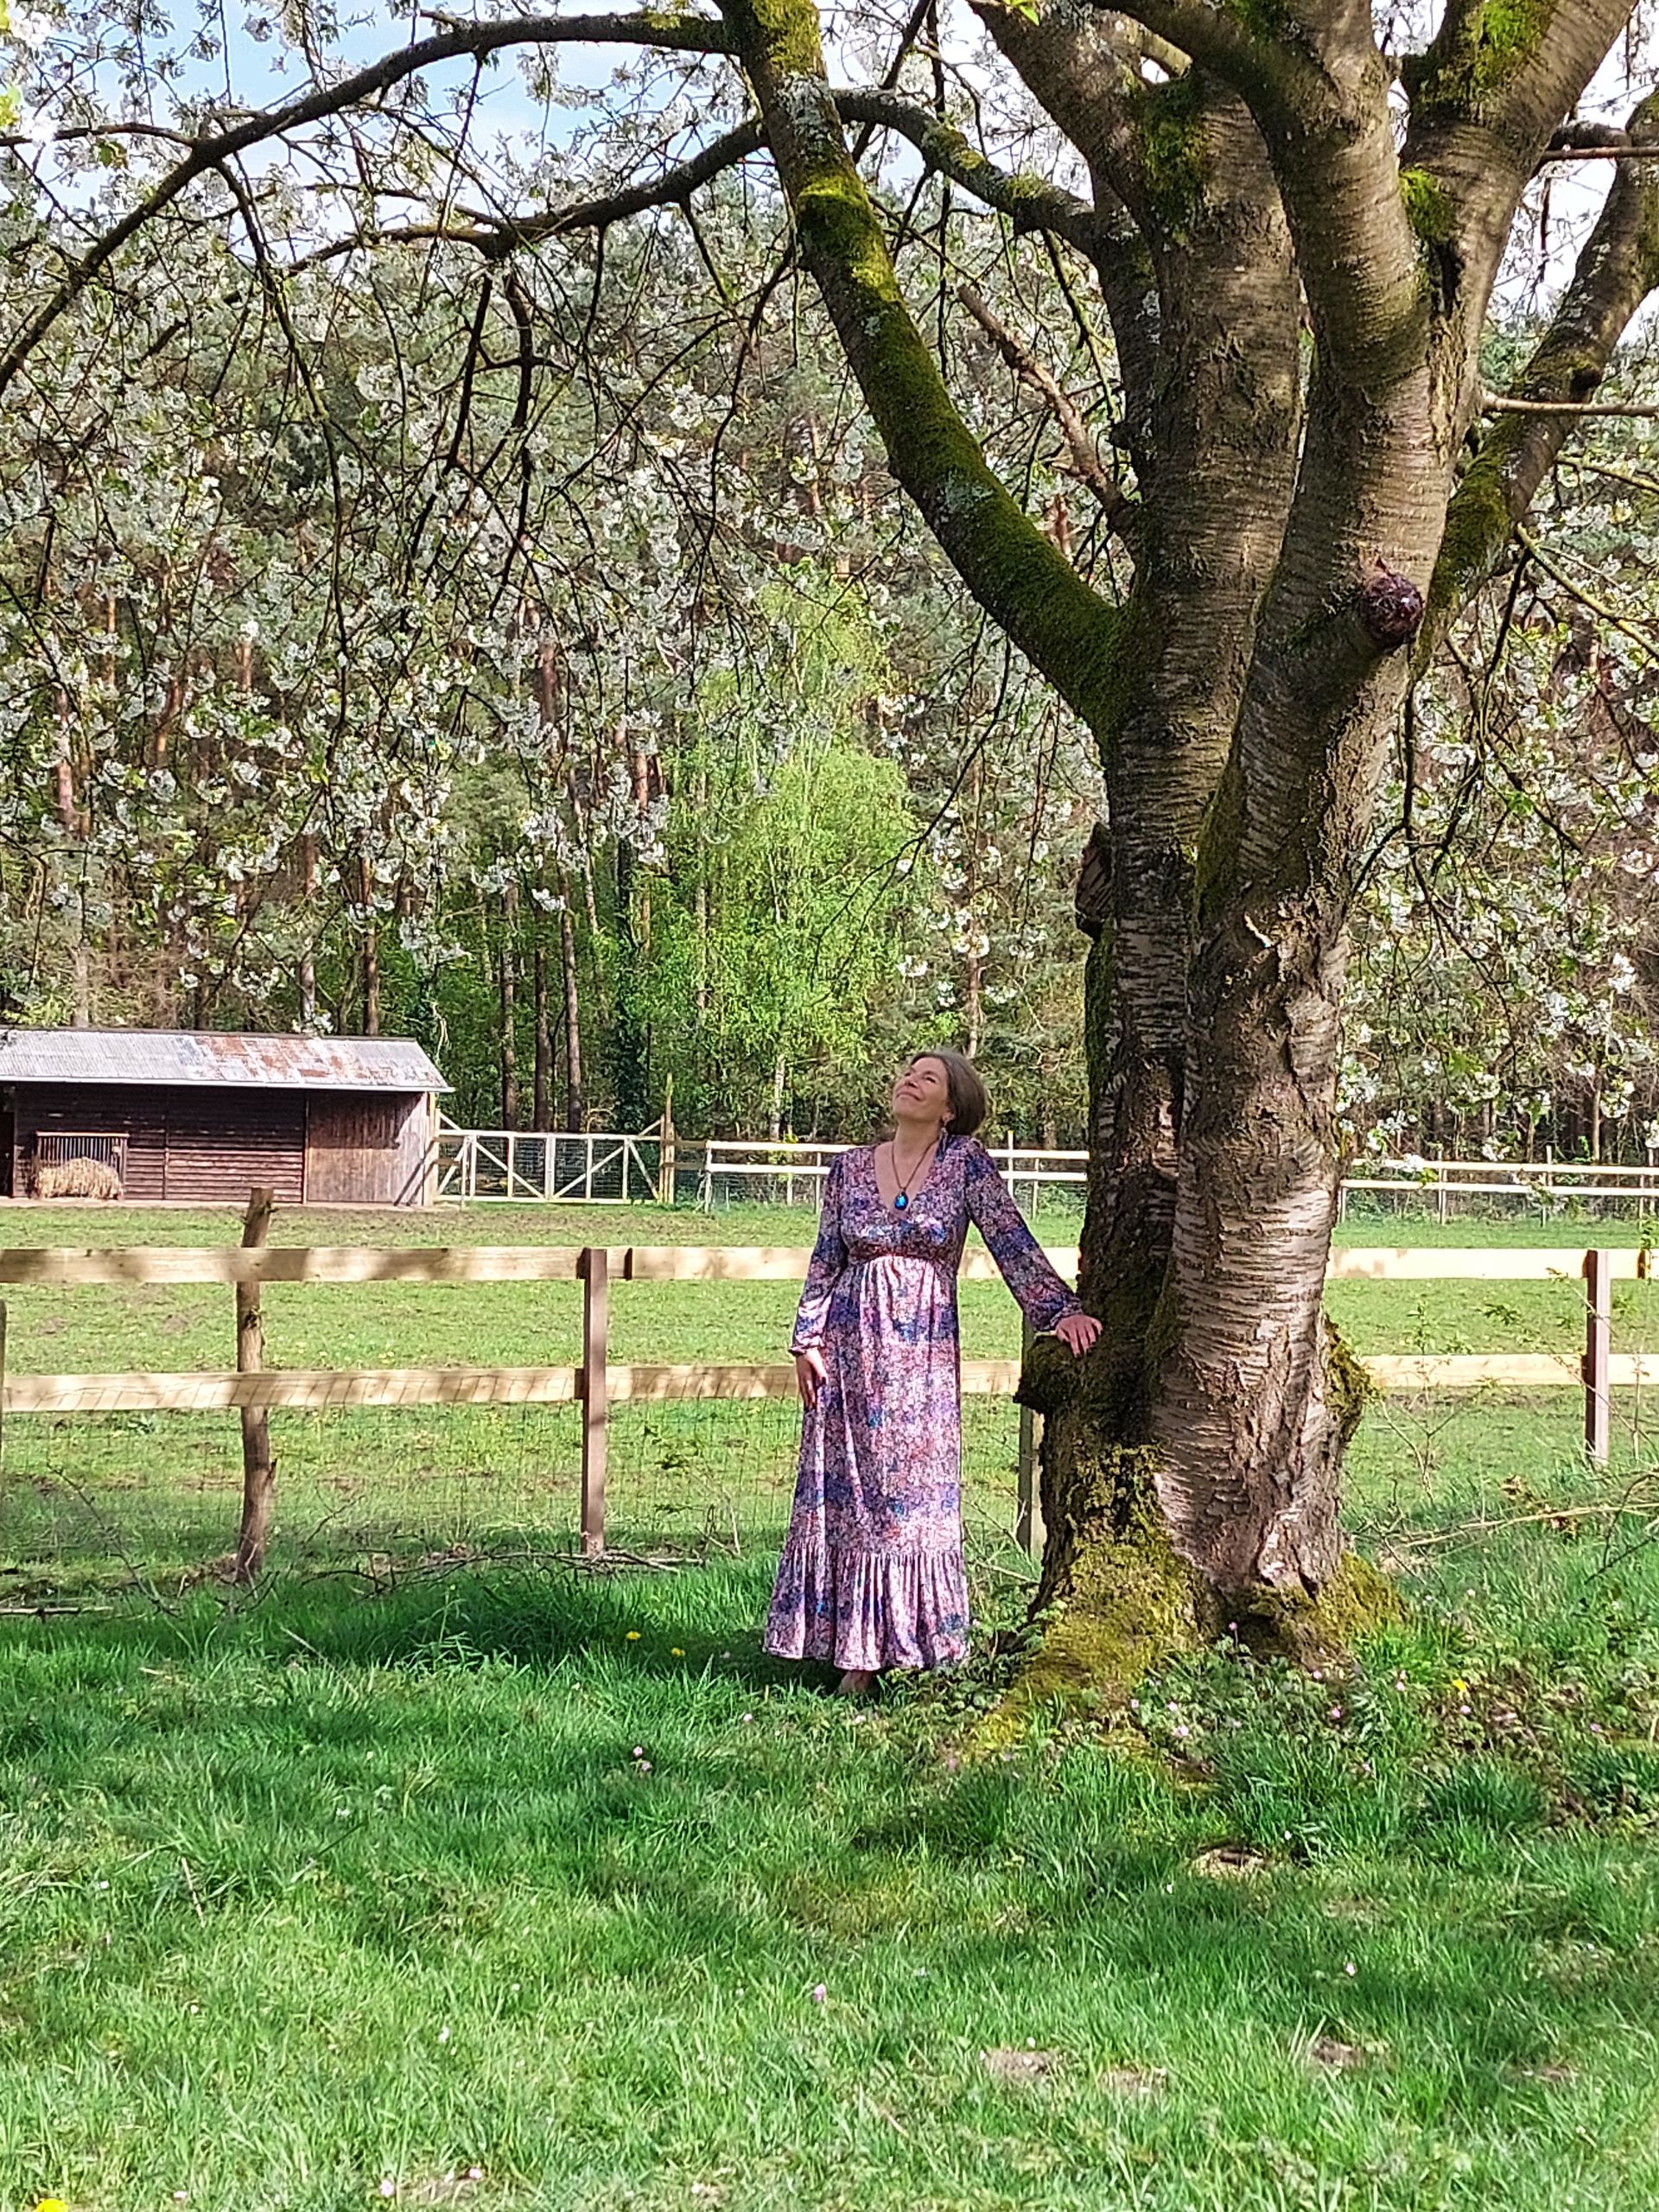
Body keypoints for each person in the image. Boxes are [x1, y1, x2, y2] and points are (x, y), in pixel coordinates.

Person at [763, 1051, 1101, 1694]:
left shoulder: (963, 1164)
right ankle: (852, 1658)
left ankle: (919, 1646)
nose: (909, 1081)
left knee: (907, 1500)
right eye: (907, 1072)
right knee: (849, 1499)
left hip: (919, 1359)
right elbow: (825, 1258)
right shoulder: (847, 1170)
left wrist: (1058, 1311)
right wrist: (806, 1338)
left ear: (950, 1108)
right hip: (848, 1353)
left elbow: (1011, 1241)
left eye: (929, 1079)